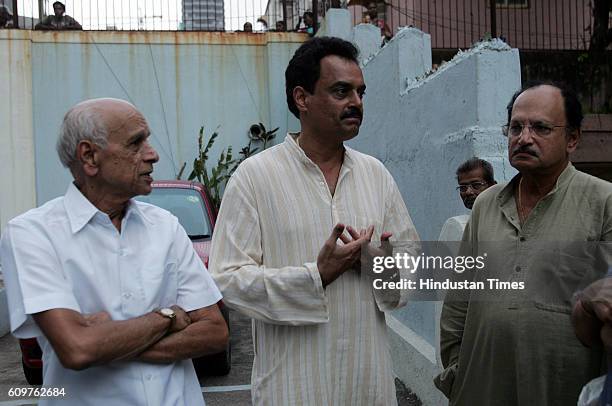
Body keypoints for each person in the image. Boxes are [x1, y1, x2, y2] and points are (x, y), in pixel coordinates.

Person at [209, 37, 420, 405]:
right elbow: (228, 280)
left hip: (366, 388)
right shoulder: (255, 177)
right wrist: (315, 276)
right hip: (292, 390)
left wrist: (375, 263)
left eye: (360, 92)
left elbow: (411, 270)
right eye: (341, 91)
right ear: (302, 98)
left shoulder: (376, 175)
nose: (356, 102)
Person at [0, 98, 228, 406]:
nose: (153, 154)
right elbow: (78, 349)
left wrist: (106, 343)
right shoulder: (32, 234)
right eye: (136, 143)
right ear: (89, 156)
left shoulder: (165, 226)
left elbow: (214, 333)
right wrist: (169, 316)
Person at [436, 82, 612, 405]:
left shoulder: (603, 203)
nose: (524, 137)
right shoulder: (485, 204)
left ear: (572, 139)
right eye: (516, 127)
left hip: (562, 392)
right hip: (480, 389)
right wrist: (457, 369)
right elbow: (458, 298)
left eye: (540, 128)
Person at [438, 157, 496, 241]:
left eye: (476, 185)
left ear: (493, 186)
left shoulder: (511, 221)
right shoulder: (456, 227)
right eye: (463, 187)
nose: (468, 192)